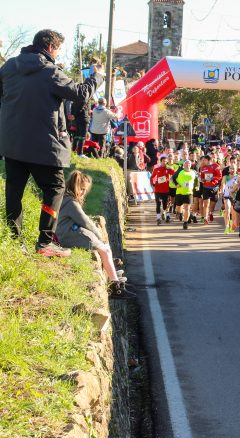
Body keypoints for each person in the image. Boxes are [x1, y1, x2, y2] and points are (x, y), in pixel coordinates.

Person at [1, 29, 103, 257]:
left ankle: (15, 241)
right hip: (44, 147)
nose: (57, 55)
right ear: (50, 47)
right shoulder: (51, 72)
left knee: (14, 190)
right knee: (55, 188)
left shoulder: (8, 67)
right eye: (58, 50)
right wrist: (97, 76)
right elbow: (81, 94)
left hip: (12, 144)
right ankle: (45, 242)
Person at [55, 171, 133, 299]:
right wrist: (99, 236)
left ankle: (112, 274)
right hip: (66, 235)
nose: (84, 192)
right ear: (76, 187)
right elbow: (85, 221)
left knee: (105, 249)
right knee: (104, 249)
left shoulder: (67, 199)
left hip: (68, 231)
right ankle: (115, 287)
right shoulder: (71, 203)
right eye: (83, 189)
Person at [172, 160, 196, 230]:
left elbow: (197, 179)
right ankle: (179, 213)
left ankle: (185, 222)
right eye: (186, 163)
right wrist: (176, 184)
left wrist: (197, 186)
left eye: (189, 164)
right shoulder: (180, 171)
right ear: (184, 165)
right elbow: (173, 178)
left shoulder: (193, 172)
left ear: (190, 165)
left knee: (187, 208)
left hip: (189, 192)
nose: (188, 165)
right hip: (179, 192)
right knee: (178, 208)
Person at [150, 154, 174, 225]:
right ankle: (158, 218)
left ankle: (166, 215)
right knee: (158, 203)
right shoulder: (157, 169)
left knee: (165, 205)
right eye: (163, 161)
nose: (164, 162)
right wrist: (153, 183)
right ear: (160, 161)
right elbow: (152, 177)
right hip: (157, 189)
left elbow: (174, 174)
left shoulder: (168, 169)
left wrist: (171, 168)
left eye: (166, 161)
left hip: (165, 190)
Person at [198, 154, 222, 224]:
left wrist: (212, 178)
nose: (203, 161)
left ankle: (210, 213)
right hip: (206, 187)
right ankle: (206, 217)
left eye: (205, 160)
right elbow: (202, 177)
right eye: (202, 160)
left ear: (209, 160)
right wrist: (202, 180)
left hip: (214, 187)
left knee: (213, 203)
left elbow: (220, 176)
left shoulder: (216, 166)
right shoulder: (202, 168)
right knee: (206, 203)